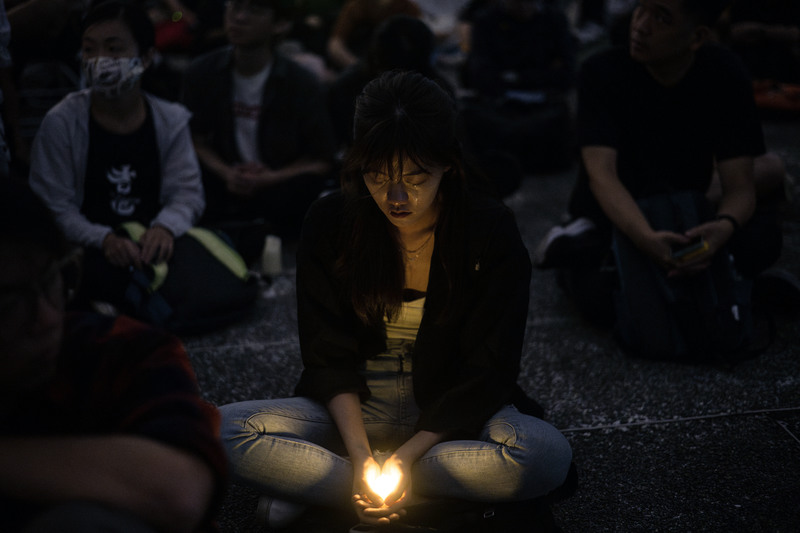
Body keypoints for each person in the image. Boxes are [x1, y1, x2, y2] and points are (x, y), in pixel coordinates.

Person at [218, 70, 574, 532]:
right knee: (219, 431)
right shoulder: (331, 221)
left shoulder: (487, 230)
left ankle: (333, 491)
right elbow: (328, 357)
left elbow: (490, 368)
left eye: (416, 177)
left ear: (448, 164)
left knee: (543, 456)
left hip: (452, 416)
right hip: (356, 415)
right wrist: (366, 457)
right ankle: (403, 494)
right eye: (378, 176)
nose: (397, 196)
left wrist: (404, 459)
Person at [534, 0, 784, 338]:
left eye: (661, 18)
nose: (641, 25)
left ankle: (712, 269)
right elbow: (602, 175)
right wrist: (646, 239)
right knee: (599, 300)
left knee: (763, 240)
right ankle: (579, 241)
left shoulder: (725, 73)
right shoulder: (603, 71)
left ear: (697, 37)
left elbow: (740, 187)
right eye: (641, 9)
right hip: (617, 214)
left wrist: (722, 228)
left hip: (686, 210)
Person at [0, 177, 228, 532]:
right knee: (239, 430)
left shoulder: (120, 347)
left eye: (51, 281)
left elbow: (180, 490)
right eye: (10, 302)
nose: (45, 318)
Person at [28, 0, 205, 317]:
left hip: (151, 245)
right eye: (89, 49)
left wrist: (165, 228)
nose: (99, 61)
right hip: (89, 249)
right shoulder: (62, 122)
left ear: (147, 57)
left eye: (114, 49)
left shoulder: (170, 119)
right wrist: (104, 239)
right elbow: (53, 205)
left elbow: (187, 192)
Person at [181, 0, 337, 261]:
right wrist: (226, 172)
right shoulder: (202, 72)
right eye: (233, 7)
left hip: (278, 186)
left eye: (253, 10)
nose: (239, 18)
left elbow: (323, 159)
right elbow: (191, 139)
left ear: (280, 23)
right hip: (225, 182)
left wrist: (272, 177)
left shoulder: (301, 83)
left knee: (310, 192)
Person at [459, 0, 577, 179]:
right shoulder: (486, 20)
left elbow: (566, 74)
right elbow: (480, 74)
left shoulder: (554, 19)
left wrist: (516, 77)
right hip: (497, 103)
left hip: (543, 103)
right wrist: (536, 76)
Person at [326, 0, 422, 71]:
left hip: (385, 73)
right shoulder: (359, 4)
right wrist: (359, 68)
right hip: (351, 63)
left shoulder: (409, 10)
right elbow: (335, 44)